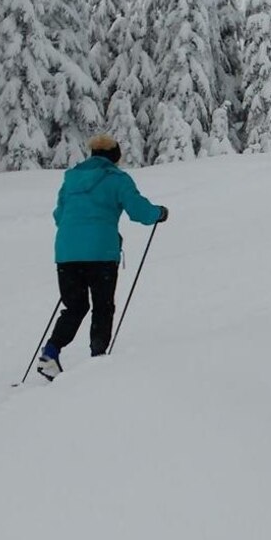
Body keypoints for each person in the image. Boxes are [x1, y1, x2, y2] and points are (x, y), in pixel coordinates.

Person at [36, 135, 168, 380]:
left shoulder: (71, 180)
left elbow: (59, 216)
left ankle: (51, 352)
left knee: (74, 306)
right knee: (102, 306)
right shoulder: (117, 179)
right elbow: (138, 211)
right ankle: (98, 359)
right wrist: (158, 213)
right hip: (101, 253)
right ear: (115, 157)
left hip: (67, 253)